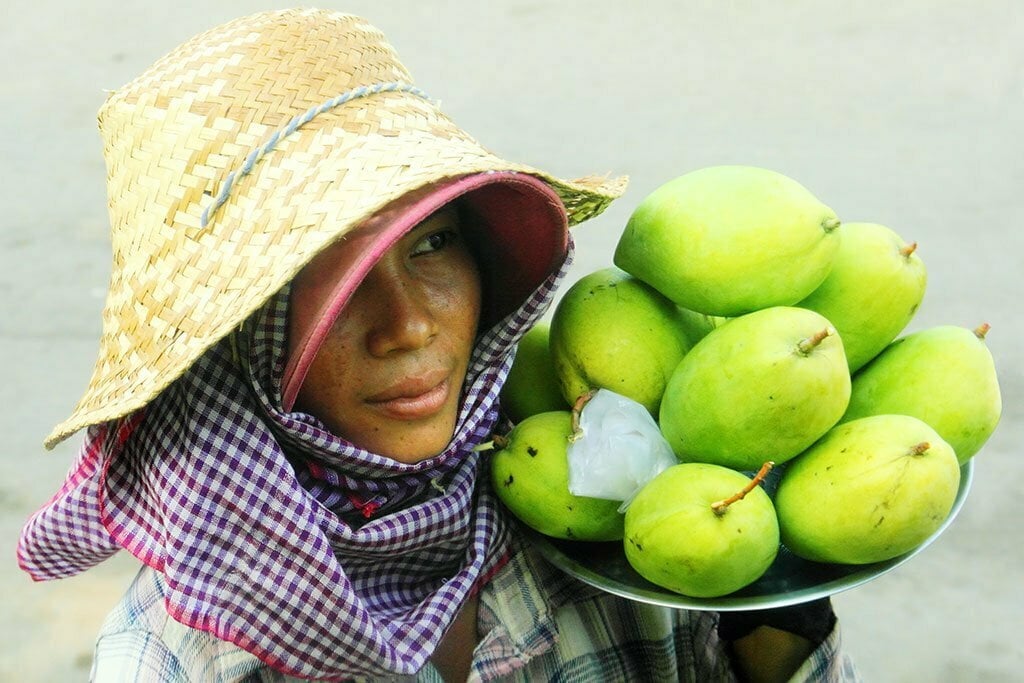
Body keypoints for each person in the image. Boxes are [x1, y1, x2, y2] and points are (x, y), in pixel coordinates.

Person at [17, 9, 859, 682]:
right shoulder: (181, 660)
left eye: (431, 244)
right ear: (243, 339)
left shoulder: (604, 489)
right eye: (334, 282)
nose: (411, 325)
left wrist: (776, 618)